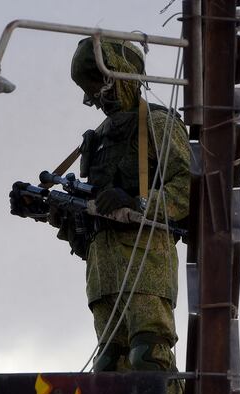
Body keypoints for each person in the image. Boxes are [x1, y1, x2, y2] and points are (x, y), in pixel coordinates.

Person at [53, 37, 191, 375]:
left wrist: (138, 202)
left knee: (149, 359)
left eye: (101, 85)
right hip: (104, 272)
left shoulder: (158, 123)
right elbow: (91, 203)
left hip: (147, 264)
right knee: (110, 369)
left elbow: (188, 189)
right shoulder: (97, 137)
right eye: (92, 89)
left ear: (123, 78)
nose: (96, 98)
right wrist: (59, 213)